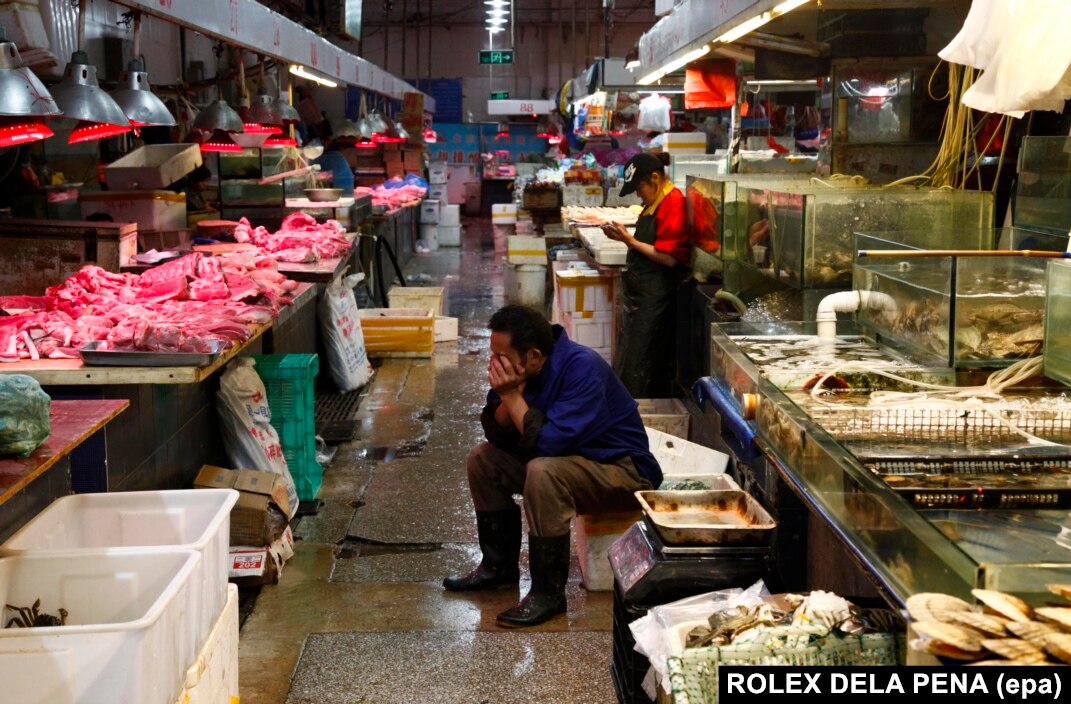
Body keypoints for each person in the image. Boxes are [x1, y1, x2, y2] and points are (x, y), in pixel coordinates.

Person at [443, 304, 662, 627]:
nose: (495, 363)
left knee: (543, 470)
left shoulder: (581, 368)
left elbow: (549, 444)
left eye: (501, 356)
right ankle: (498, 568)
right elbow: (497, 433)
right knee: (483, 459)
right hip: (572, 464)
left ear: (532, 355)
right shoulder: (524, 370)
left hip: (623, 471)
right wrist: (507, 398)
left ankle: (548, 592)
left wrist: (513, 398)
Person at [602, 152, 690, 398]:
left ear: (654, 178)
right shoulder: (656, 202)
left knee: (643, 363)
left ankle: (642, 420)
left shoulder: (673, 203)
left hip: (655, 300)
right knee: (631, 361)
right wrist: (625, 239)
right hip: (640, 298)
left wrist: (629, 240)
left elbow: (669, 258)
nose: (638, 194)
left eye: (638, 187)